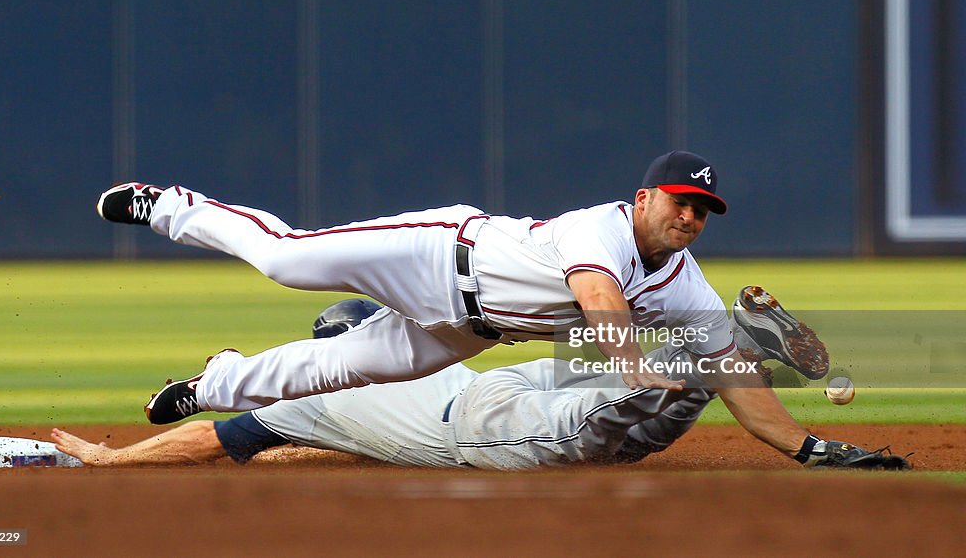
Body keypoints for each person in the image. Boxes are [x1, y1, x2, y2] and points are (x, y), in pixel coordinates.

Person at [92, 151, 829, 462]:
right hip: (439, 253)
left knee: (331, 371)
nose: (692, 218)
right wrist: (635, 365)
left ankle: (210, 384)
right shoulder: (599, 229)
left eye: (704, 211)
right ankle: (170, 206)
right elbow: (600, 299)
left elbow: (731, 366)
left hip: (469, 331)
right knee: (287, 259)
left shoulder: (684, 282)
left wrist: (806, 446)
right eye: (682, 202)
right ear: (645, 199)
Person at [52, 296, 909, 470]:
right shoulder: (413, 360)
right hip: (499, 386)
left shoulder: (311, 400)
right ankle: (730, 336)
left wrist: (111, 462)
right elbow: (275, 447)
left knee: (628, 401)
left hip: (491, 422)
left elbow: (215, 435)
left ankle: (726, 348)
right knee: (651, 367)